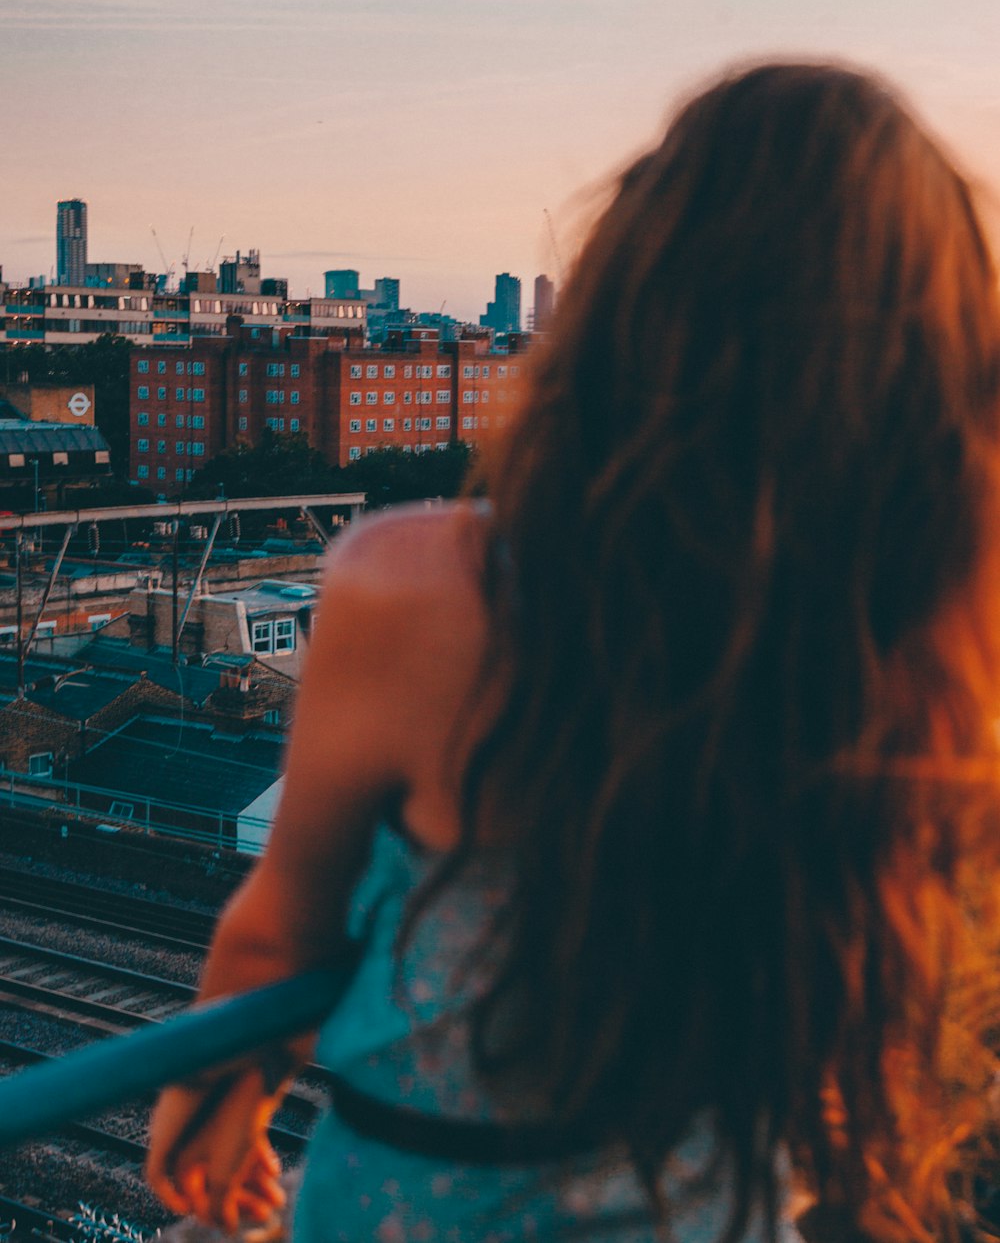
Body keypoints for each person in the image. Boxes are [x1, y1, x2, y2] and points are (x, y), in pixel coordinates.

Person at [147, 62, 1000, 1243]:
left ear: (631, 296)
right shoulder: (929, 641)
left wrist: (217, 1111)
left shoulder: (413, 584)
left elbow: (284, 927)